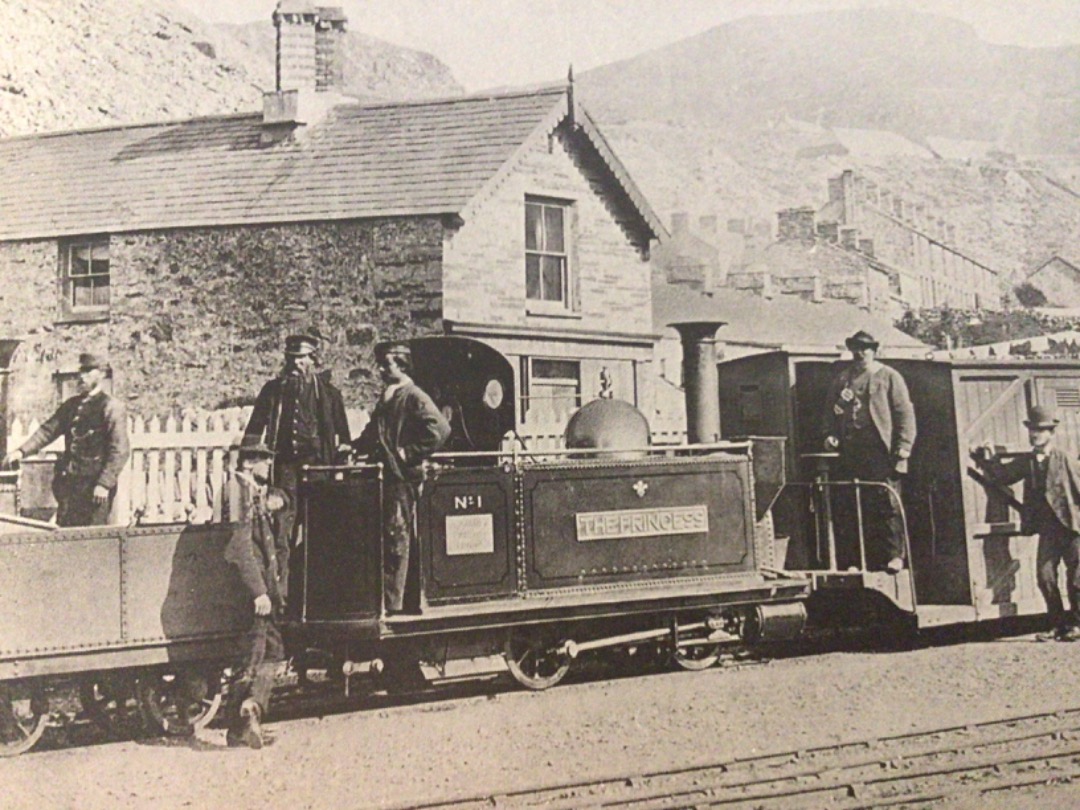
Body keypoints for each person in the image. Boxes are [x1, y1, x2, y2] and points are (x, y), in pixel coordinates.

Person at [351, 341, 451, 614]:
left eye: (387, 364)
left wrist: (409, 453)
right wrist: (354, 446)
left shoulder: (414, 395)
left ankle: (396, 604)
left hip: (402, 478)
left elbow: (440, 429)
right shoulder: (389, 394)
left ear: (402, 365)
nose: (381, 369)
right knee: (386, 536)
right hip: (386, 478)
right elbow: (375, 433)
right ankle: (388, 598)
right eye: (381, 364)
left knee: (397, 537)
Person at [973, 405, 1080, 642]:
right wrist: (987, 457)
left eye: (1041, 430)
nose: (1035, 435)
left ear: (1051, 433)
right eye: (1033, 430)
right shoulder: (1028, 461)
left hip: (1071, 528)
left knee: (1076, 580)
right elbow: (1003, 476)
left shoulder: (1064, 459)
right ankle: (1057, 625)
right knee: (1045, 577)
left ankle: (1076, 625)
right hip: (1049, 531)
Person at [243, 333, 351, 548]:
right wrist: (254, 462)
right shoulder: (273, 391)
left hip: (318, 467)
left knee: (319, 524)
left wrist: (340, 466)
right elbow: (255, 426)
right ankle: (283, 576)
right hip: (285, 467)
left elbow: (343, 436)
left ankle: (313, 576)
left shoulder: (329, 394)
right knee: (283, 523)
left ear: (313, 359)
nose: (295, 363)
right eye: (291, 357)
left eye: (301, 358)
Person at [821, 330, 917, 573]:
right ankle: (857, 560)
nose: (860, 353)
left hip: (881, 452)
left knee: (888, 503)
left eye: (865, 349)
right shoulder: (843, 379)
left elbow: (904, 413)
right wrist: (830, 435)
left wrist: (904, 445)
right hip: (852, 451)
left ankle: (894, 556)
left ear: (874, 351)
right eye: (856, 348)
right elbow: (830, 413)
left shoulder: (888, 376)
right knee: (853, 503)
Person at [3, 353, 130, 526]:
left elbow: (120, 450)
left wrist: (104, 484)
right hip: (70, 484)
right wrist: (21, 451)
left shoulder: (111, 407)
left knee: (93, 537)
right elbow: (48, 431)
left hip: (94, 487)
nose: (81, 376)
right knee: (66, 533)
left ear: (100, 374)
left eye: (87, 371)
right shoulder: (71, 406)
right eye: (81, 371)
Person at [223, 442, 292, 748]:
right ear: (250, 463)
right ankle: (249, 713)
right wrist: (259, 591)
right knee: (253, 656)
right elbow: (240, 549)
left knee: (271, 653)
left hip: (265, 591)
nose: (269, 464)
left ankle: (243, 721)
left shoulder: (250, 490)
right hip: (253, 593)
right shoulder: (238, 492)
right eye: (265, 459)